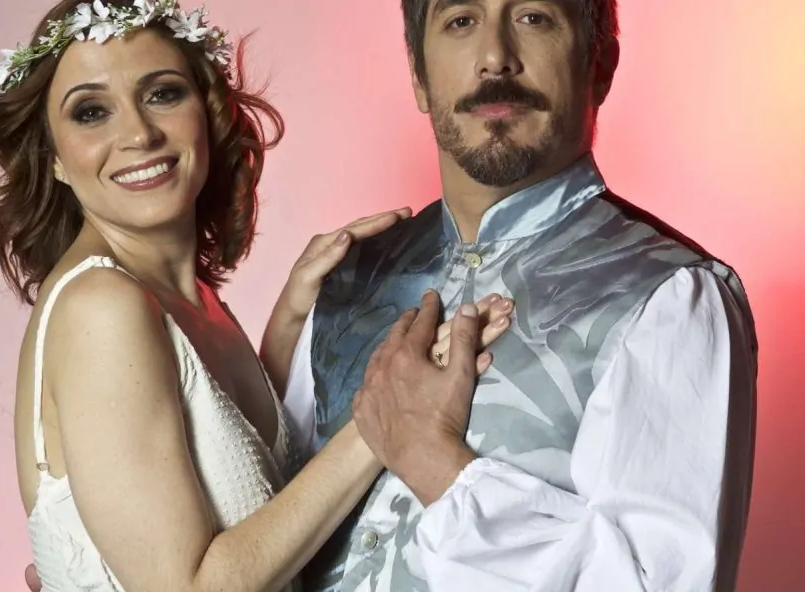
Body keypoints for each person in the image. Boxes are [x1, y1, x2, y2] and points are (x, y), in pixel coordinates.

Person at [0, 1, 515, 591]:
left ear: (206, 113)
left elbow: (237, 477)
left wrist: (288, 325)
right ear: (54, 157)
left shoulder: (192, 301)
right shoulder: (101, 308)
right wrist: (386, 417)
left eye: (162, 94)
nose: (138, 134)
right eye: (91, 112)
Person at [282, 0, 759, 591]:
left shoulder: (668, 297)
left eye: (533, 17)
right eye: (461, 20)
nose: (494, 58)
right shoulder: (341, 283)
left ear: (601, 64)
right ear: (418, 76)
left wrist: (436, 464)